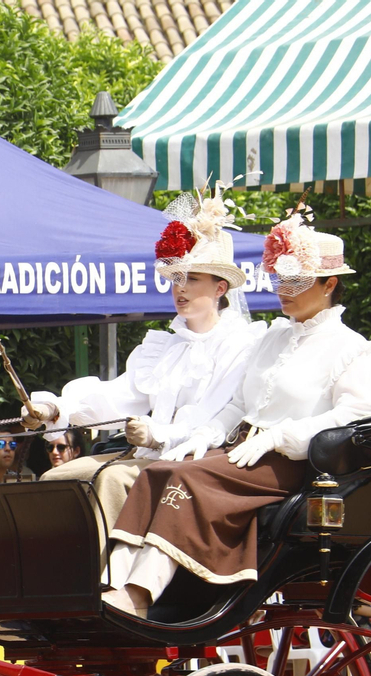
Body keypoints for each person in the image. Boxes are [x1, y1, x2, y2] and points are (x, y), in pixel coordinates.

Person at [102, 211, 371, 618]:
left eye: (296, 282)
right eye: (279, 279)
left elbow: (357, 415)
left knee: (184, 478)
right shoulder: (273, 336)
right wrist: (205, 433)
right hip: (239, 449)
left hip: (292, 463)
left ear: (329, 285)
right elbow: (239, 403)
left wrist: (280, 436)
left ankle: (139, 595)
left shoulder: (351, 347)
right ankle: (111, 585)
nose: (283, 290)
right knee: (157, 472)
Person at [26, 187, 262, 540]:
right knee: (55, 479)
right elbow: (120, 395)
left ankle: (105, 569)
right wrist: (54, 408)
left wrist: (156, 434)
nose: (180, 289)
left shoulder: (240, 345)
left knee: (111, 479)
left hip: (199, 464)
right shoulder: (165, 347)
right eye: (176, 279)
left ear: (220, 288)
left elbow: (214, 418)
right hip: (150, 458)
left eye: (192, 279)